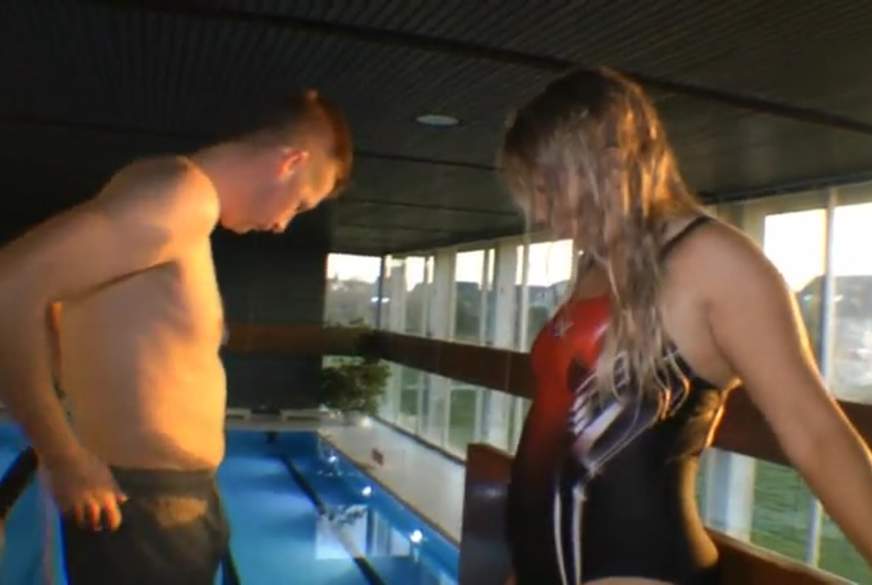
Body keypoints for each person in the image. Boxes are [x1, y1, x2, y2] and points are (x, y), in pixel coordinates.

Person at [499, 68, 872, 585]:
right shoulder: (598, 265)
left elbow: (817, 435)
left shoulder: (713, 261)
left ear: (612, 165)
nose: (543, 213)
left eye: (548, 188)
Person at [0, 89, 352, 584]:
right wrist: (63, 456)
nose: (281, 224)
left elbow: (56, 305)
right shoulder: (182, 197)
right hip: (143, 507)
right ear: (289, 162)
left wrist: (75, 414)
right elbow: (10, 287)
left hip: (159, 500)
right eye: (299, 203)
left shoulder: (165, 192)